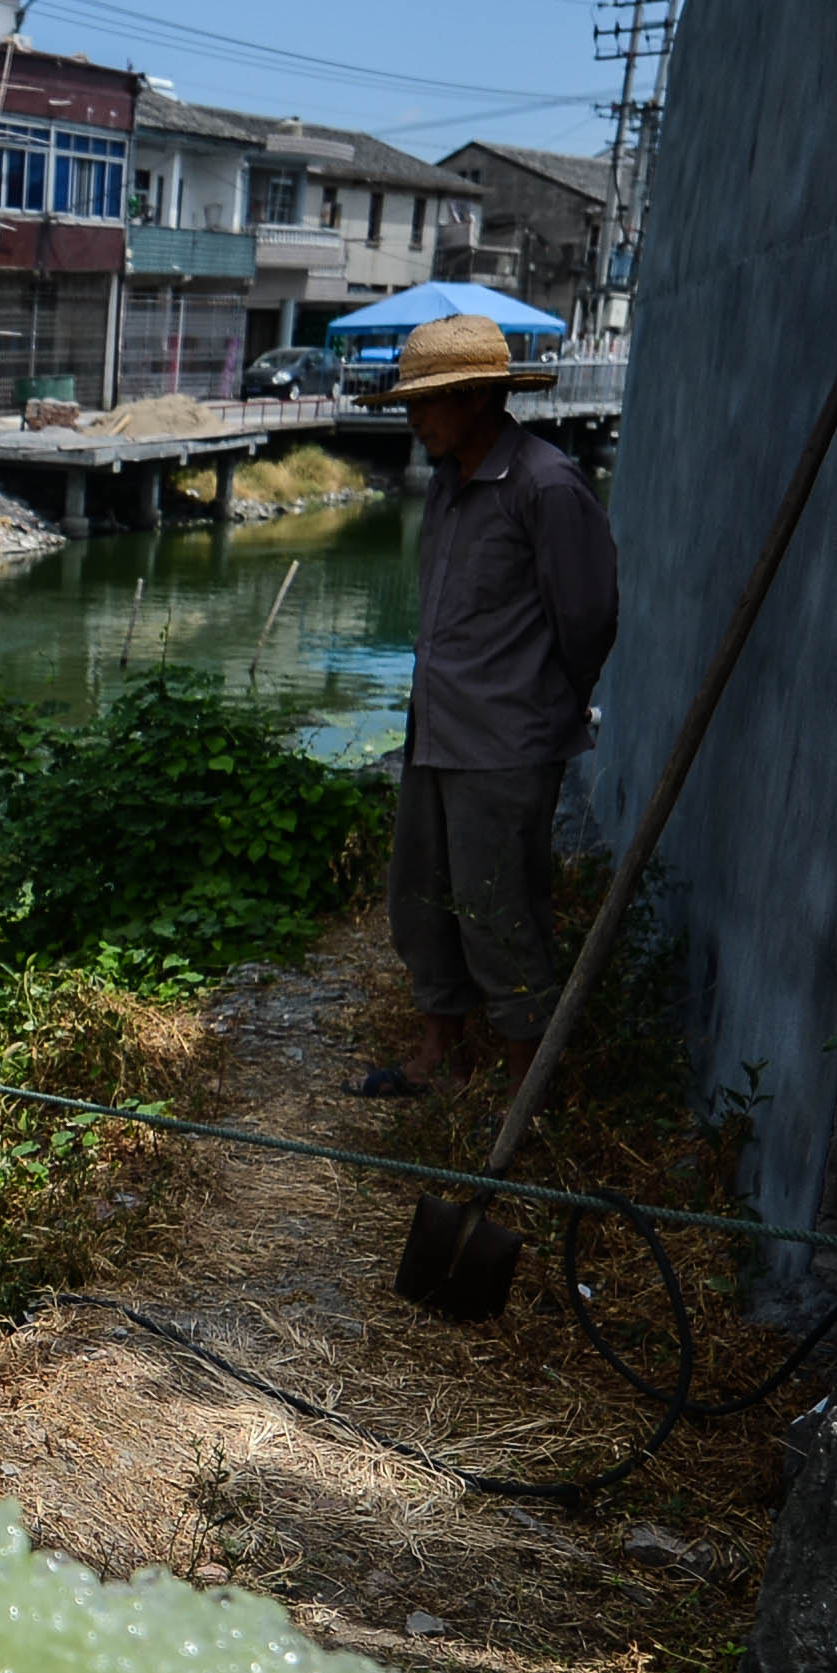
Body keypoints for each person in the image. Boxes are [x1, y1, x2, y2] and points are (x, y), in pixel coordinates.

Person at [357, 311, 619, 1099]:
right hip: (437, 731)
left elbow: (589, 619)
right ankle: (443, 1056)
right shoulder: (446, 485)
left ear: (476, 398)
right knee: (422, 899)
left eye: (426, 404)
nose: (414, 420)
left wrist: (539, 707)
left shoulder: (544, 484)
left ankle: (522, 1089)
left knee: (500, 910)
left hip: (505, 743)